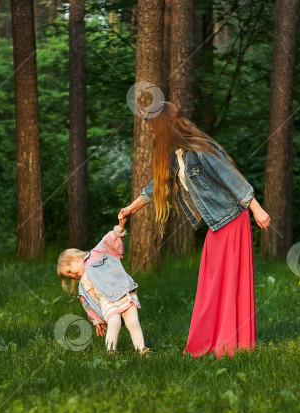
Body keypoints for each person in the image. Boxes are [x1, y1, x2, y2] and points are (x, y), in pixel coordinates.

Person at [118, 101, 271, 358]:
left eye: (154, 130)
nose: (153, 136)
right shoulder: (177, 157)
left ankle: (231, 345)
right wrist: (130, 209)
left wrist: (256, 208)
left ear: (165, 128)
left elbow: (230, 177)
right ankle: (207, 342)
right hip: (218, 223)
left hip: (233, 219)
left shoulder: (200, 149)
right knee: (211, 284)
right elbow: (157, 185)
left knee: (227, 282)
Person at [57, 217, 150, 354]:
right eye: (68, 276)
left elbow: (106, 242)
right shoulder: (82, 287)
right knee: (114, 322)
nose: (72, 276)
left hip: (121, 291)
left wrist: (118, 230)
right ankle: (110, 351)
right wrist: (97, 319)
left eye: (70, 271)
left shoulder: (95, 255)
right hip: (106, 302)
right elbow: (88, 304)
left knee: (133, 321)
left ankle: (141, 349)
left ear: (74, 259)